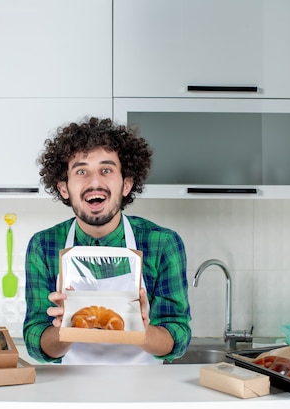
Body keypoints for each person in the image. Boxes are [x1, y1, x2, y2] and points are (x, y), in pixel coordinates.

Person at [23, 117, 191, 364]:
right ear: (63, 188)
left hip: (144, 394)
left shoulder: (162, 243)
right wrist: (65, 329)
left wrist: (142, 331)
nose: (95, 182)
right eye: (81, 171)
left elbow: (177, 339)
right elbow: (35, 342)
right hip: (70, 393)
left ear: (126, 184)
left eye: (107, 170)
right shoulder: (43, 244)